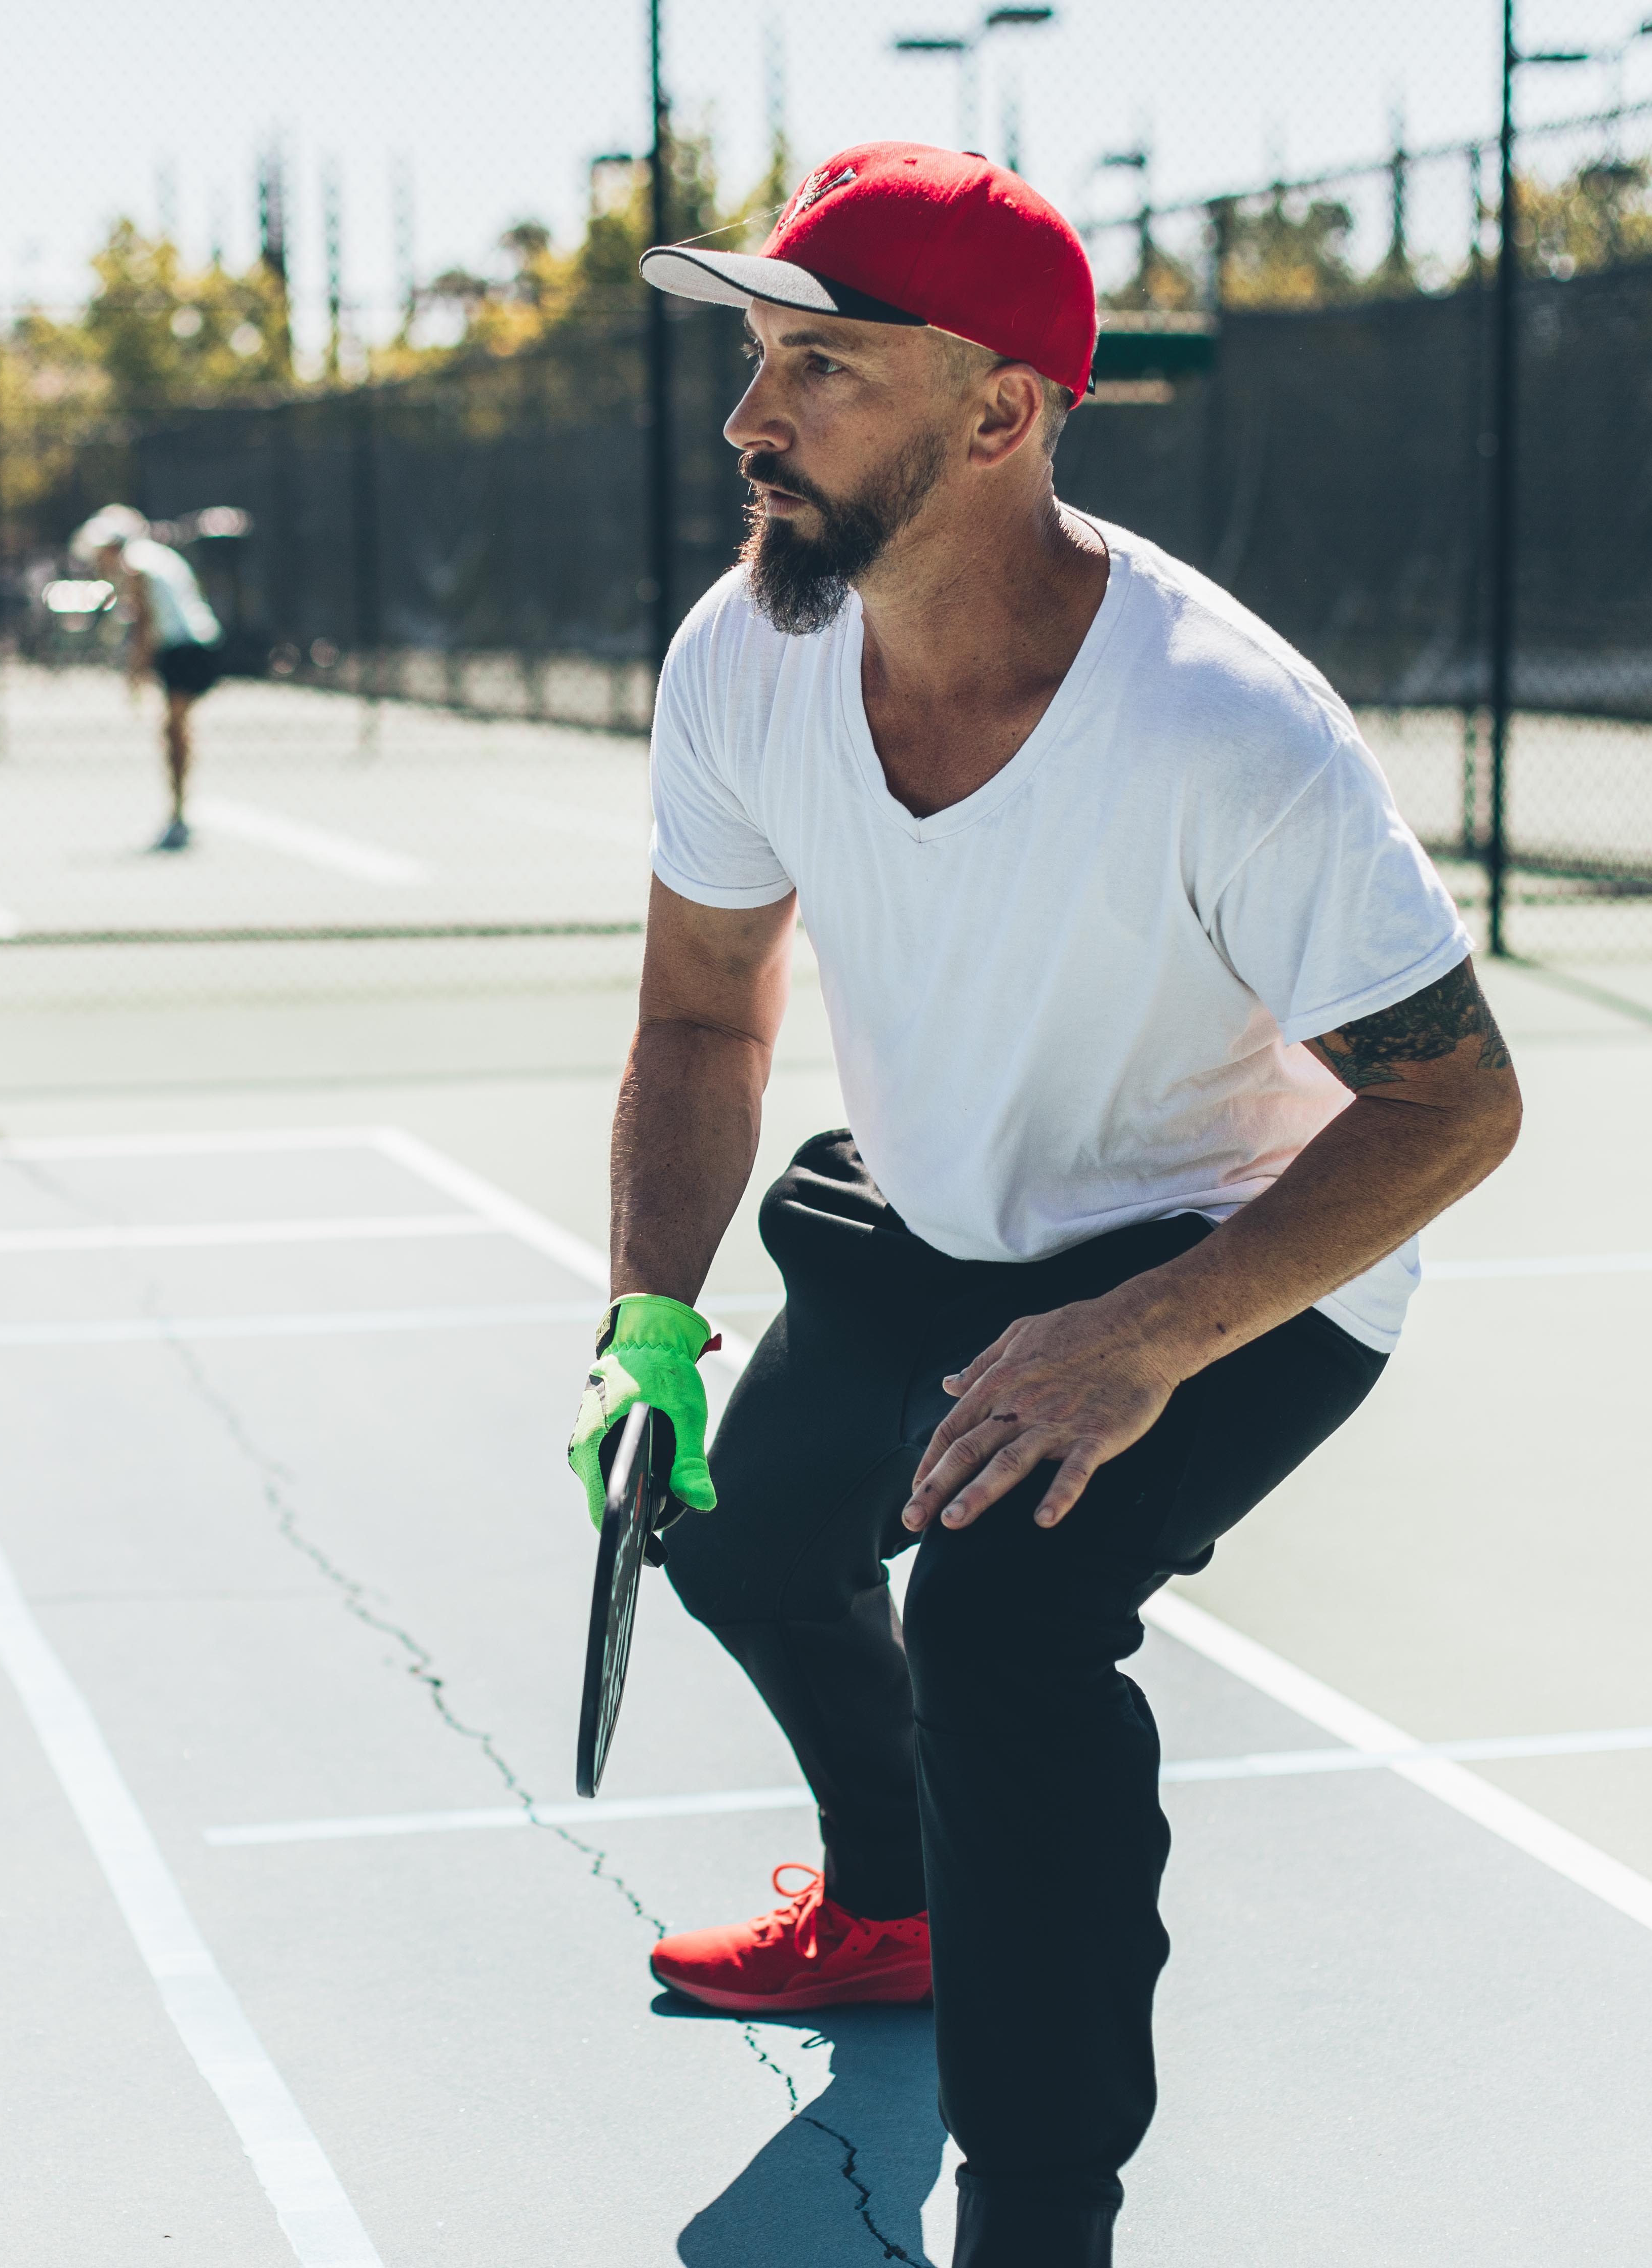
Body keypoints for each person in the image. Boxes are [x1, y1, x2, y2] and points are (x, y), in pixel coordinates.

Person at [565, 144, 1523, 2266]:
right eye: (754, 360)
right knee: (736, 1525)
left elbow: (1454, 1100)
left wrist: (1144, 1335)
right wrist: (651, 1315)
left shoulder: (1222, 731)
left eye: (821, 368)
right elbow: (708, 1016)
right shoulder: (746, 655)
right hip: (944, 1209)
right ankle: (890, 1901)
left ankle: (1041, 2215)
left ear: (1001, 415)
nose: (750, 420)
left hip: (1229, 1252)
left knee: (1001, 1626)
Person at [72, 504, 227, 850]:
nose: (101, 560)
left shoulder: (137, 565)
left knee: (174, 733)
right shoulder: (154, 557)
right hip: (191, 648)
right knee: (174, 730)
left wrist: (135, 675)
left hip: (186, 651)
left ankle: (179, 817)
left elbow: (146, 626)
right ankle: (178, 815)